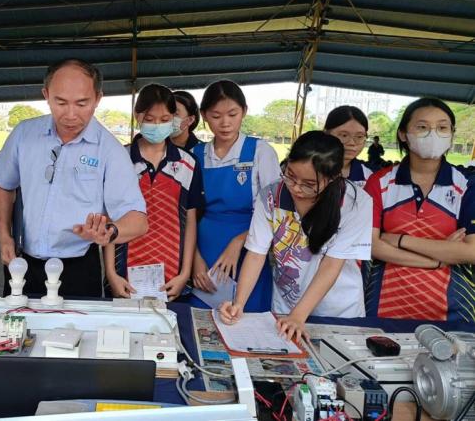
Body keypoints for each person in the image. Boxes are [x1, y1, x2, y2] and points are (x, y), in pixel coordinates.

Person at [0, 58, 148, 298]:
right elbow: (3, 185)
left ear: (97, 99)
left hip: (78, 268)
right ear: (46, 94)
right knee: (18, 331)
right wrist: (4, 235)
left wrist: (110, 232)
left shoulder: (109, 150)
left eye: (82, 103)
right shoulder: (24, 134)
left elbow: (138, 219)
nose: (71, 114)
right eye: (60, 102)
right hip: (22, 263)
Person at [219, 131, 372, 341]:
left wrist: (299, 316)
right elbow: (256, 254)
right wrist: (238, 304)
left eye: (309, 184)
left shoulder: (355, 202)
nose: (296, 188)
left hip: (337, 310)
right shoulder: (271, 196)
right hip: (286, 305)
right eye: (290, 175)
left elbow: (332, 264)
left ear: (333, 177)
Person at [363, 98, 475, 322]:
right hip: (383, 304)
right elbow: (373, 246)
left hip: (454, 309)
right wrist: (439, 258)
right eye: (422, 127)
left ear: (451, 133)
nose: (433, 134)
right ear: (403, 134)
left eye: (442, 127)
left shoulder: (467, 185)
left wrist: (401, 240)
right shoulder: (380, 182)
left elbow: (471, 252)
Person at [105, 84, 204, 300]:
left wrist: (185, 273)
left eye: (165, 119)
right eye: (150, 119)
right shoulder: (119, 159)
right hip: (125, 275)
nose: (157, 126)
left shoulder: (189, 164)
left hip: (172, 276)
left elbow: (191, 220)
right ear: (137, 116)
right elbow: (110, 219)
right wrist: (111, 274)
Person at [191, 80, 280, 311]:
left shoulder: (261, 152)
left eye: (232, 114)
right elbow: (188, 214)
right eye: (216, 115)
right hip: (204, 249)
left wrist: (239, 241)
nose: (225, 123)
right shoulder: (195, 155)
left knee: (245, 318)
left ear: (244, 112)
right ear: (204, 115)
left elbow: (275, 212)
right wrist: (195, 259)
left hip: (249, 250)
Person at [324, 105, 377, 188]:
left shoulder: (370, 176)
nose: (352, 143)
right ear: (326, 134)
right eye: (344, 135)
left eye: (359, 137)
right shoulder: (306, 168)